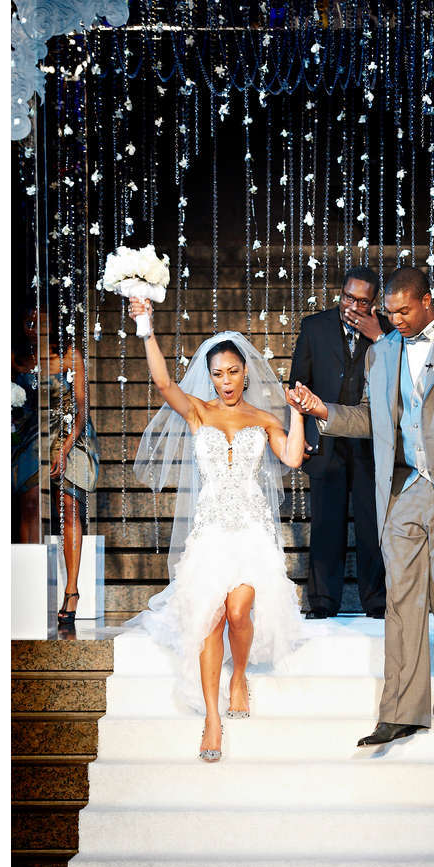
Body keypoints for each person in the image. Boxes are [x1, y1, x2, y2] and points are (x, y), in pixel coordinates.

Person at [289, 266, 434, 746]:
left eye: (402, 311)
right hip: (407, 488)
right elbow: (371, 420)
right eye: (390, 312)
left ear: (427, 300)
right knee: (401, 599)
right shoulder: (381, 354)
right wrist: (323, 412)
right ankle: (401, 709)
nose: (394, 319)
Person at [126, 298, 306, 762]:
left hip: (250, 528)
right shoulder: (199, 413)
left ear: (245, 371)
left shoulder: (264, 418)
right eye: (218, 374)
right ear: (211, 376)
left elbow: (290, 458)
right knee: (212, 616)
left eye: (232, 372)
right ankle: (212, 718)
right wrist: (145, 326)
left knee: (240, 608)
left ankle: (240, 674)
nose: (226, 381)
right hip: (210, 531)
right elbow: (164, 381)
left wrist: (299, 413)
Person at [289, 266, 392, 619]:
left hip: (370, 442)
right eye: (348, 296)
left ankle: (376, 600)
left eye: (362, 301)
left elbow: (402, 378)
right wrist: (301, 433)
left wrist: (379, 336)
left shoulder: (389, 333)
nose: (352, 304)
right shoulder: (314, 327)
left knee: (371, 522)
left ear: (374, 303)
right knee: (326, 523)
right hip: (325, 439)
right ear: (341, 293)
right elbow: (297, 383)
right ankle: (322, 601)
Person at [12, 304, 99, 625]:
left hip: (70, 432)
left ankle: (72, 590)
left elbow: (81, 408)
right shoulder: (16, 360)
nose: (33, 325)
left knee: (68, 505)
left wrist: (64, 447)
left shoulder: (69, 356)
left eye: (40, 320)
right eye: (28, 320)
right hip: (33, 432)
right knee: (29, 501)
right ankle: (26, 585)